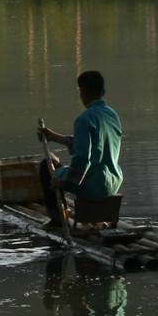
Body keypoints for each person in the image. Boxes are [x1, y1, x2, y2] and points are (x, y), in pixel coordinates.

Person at [37, 71, 123, 228]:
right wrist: (52, 136)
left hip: (94, 184)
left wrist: (65, 182)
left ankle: (57, 220)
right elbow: (91, 143)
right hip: (113, 181)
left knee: (46, 165)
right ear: (103, 92)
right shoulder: (112, 115)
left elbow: (83, 158)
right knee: (56, 163)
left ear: (82, 92)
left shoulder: (84, 119)